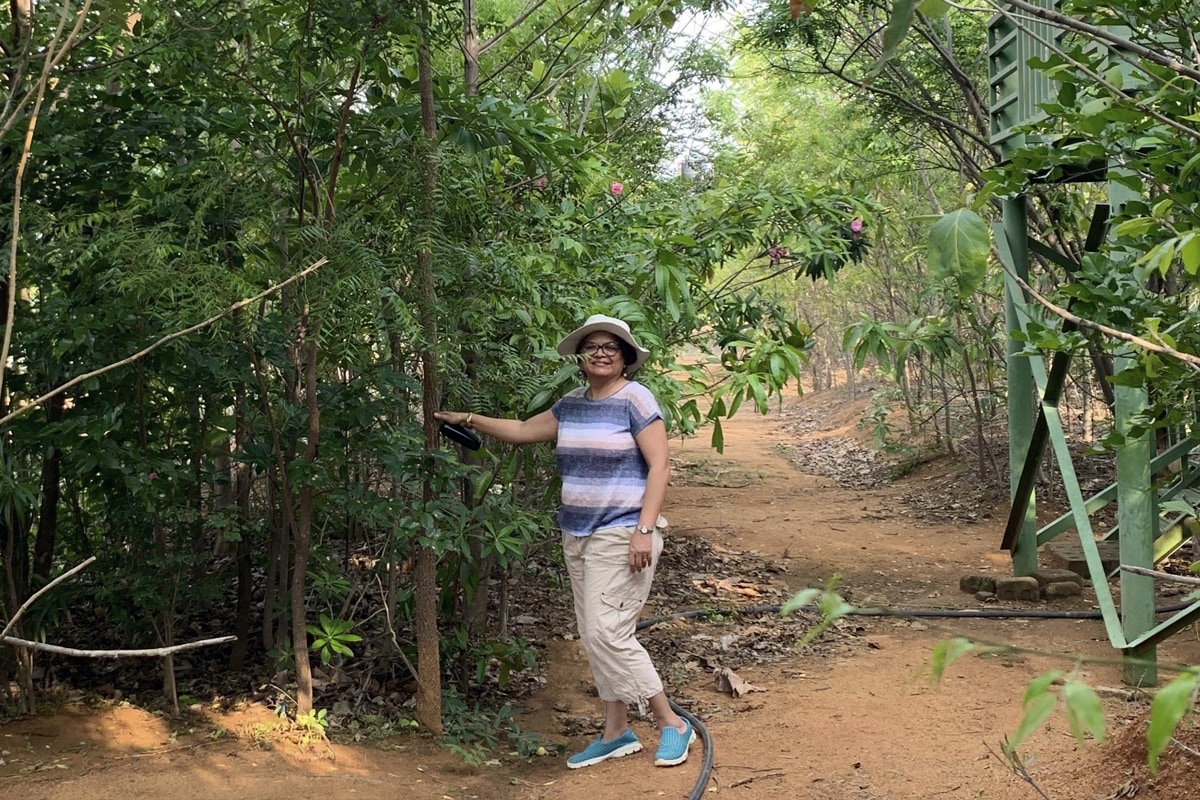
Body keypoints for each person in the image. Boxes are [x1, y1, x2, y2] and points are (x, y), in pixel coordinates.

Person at [434, 314, 696, 769]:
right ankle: (616, 731)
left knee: (606, 632)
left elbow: (660, 466)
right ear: (580, 355)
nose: (599, 352)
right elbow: (521, 431)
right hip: (577, 533)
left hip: (623, 531)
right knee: (597, 635)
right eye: (591, 346)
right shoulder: (572, 404)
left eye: (610, 347)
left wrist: (645, 529)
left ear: (626, 357)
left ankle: (672, 723)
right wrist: (468, 418)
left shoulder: (635, 399)